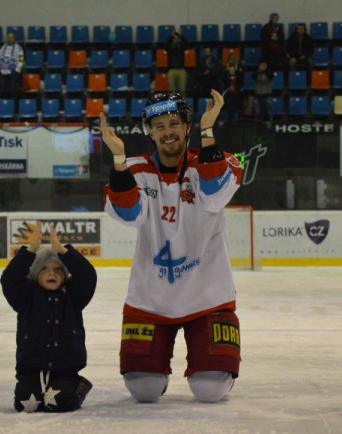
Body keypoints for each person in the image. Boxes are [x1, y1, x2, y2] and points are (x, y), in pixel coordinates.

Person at [100, 90, 242, 404]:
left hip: (209, 297)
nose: (168, 132)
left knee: (210, 390)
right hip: (151, 299)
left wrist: (209, 133)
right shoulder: (134, 169)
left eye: (175, 123)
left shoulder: (218, 160)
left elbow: (215, 195)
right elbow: (129, 214)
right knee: (143, 390)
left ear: (188, 128)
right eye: (159, 126)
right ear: (149, 132)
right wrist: (119, 159)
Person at [1, 221, 97, 413]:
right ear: (35, 275)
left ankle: (79, 387)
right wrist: (30, 251)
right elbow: (9, 279)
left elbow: (88, 275)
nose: (51, 272)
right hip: (31, 368)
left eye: (58, 269)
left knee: (58, 402)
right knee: (26, 404)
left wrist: (63, 251)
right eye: (44, 269)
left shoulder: (73, 296)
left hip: (65, 368)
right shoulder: (25, 297)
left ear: (65, 275)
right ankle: (37, 389)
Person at [0, 33, 25, 99]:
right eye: (8, 38)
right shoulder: (2, 48)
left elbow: (21, 60)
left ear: (14, 38)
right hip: (3, 72)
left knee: (12, 90)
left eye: (11, 38)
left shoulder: (19, 48)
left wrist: (17, 70)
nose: (10, 39)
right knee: (2, 90)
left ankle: (12, 106)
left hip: (13, 72)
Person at [222, 54, 244, 123]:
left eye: (233, 69)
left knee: (236, 110)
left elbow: (241, 77)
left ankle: (236, 122)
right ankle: (226, 122)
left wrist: (237, 70)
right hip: (228, 95)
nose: (231, 71)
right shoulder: (226, 77)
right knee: (227, 110)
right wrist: (226, 71)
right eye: (230, 70)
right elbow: (223, 79)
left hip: (236, 95)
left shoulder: (238, 77)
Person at [166, 30, 188, 96]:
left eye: (177, 38)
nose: (175, 40)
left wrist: (181, 36)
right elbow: (166, 45)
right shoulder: (169, 49)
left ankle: (183, 104)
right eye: (174, 38)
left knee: (183, 90)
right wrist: (171, 37)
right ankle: (172, 104)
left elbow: (187, 43)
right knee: (171, 90)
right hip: (172, 70)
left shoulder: (181, 48)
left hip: (181, 70)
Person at [253, 61, 274, 127]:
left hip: (267, 96)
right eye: (261, 65)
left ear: (266, 66)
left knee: (268, 113)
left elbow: (270, 77)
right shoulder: (257, 73)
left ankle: (269, 125)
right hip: (258, 96)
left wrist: (264, 71)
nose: (262, 67)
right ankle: (257, 126)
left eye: (263, 65)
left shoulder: (269, 72)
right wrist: (259, 71)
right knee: (257, 113)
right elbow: (253, 77)